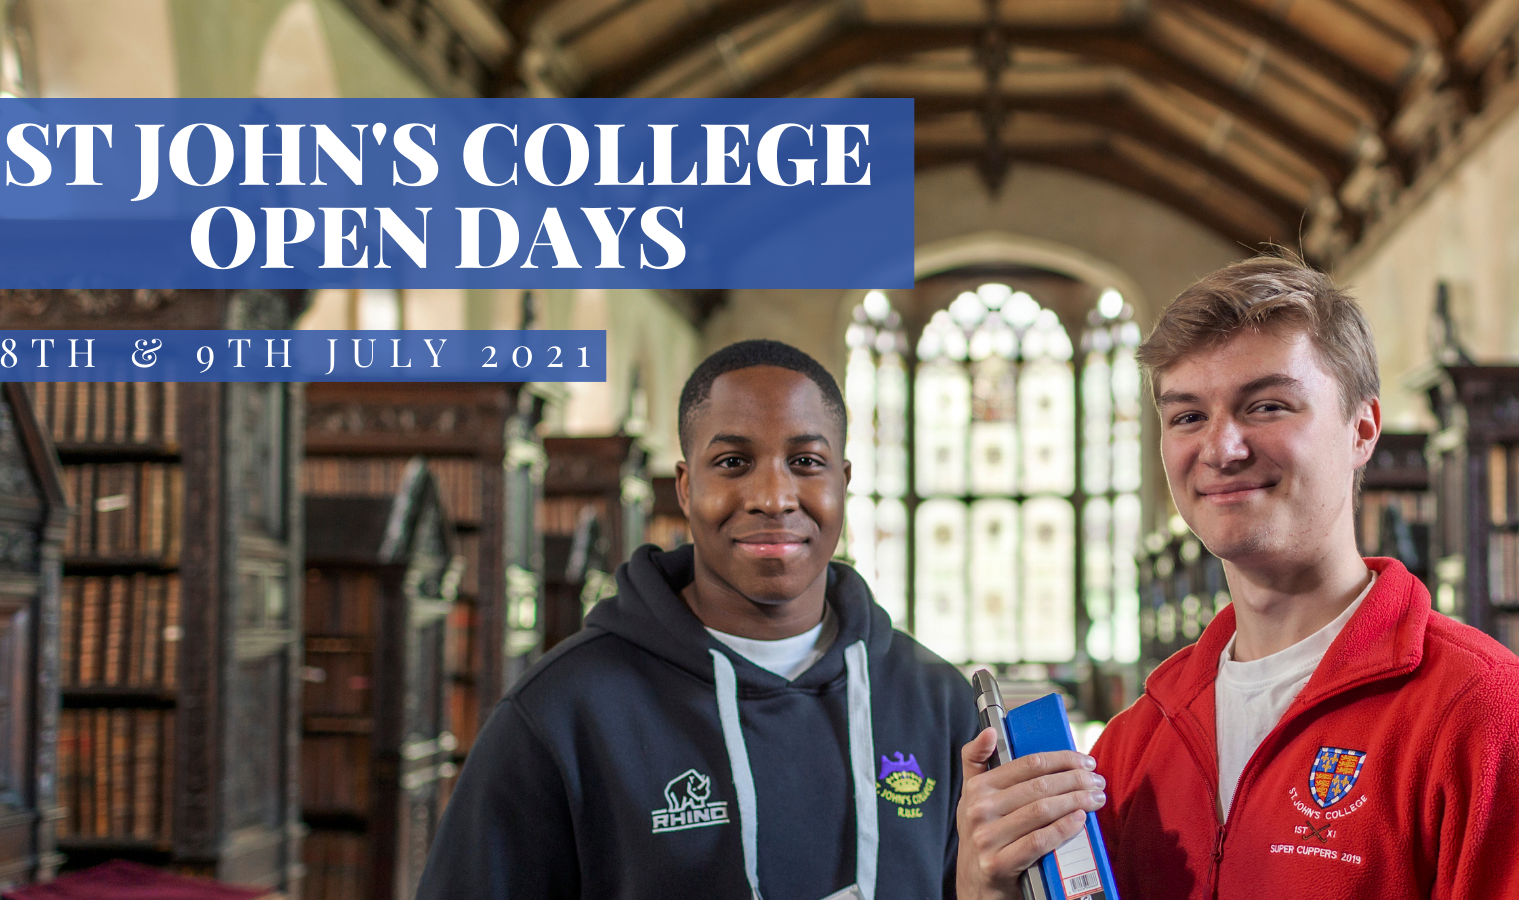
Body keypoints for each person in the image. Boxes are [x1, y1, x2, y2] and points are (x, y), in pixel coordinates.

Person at [954, 254, 1519, 900]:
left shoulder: (1481, 714)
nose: (1222, 449)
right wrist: (987, 885)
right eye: (1188, 416)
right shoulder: (1131, 747)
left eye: (1268, 406)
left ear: (1362, 429)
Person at [417, 339, 983, 900]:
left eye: (806, 462)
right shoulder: (560, 712)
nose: (773, 497)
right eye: (733, 463)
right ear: (687, 488)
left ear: (843, 481)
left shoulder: (938, 702)